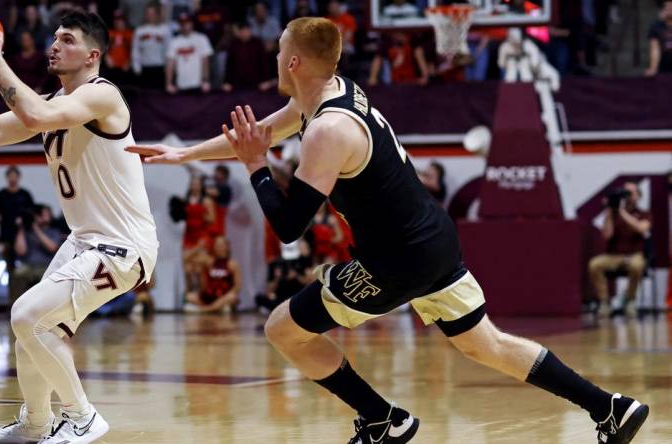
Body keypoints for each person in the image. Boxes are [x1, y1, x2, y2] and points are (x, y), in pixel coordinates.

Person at [127, 17, 649, 444]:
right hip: (433, 240)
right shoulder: (335, 91)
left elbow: (289, 227)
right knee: (484, 344)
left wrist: (257, 168)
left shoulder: (329, 131)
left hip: (396, 260)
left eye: (278, 52)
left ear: (292, 62)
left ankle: (383, 420)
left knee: (283, 328)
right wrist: (185, 153)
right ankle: (609, 408)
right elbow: (260, 133)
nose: (273, 60)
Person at [0, 10, 158, 443]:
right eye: (54, 38)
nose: (54, 45)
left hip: (123, 246)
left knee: (26, 316)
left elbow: (32, 117)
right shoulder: (53, 103)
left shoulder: (103, 96)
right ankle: (35, 424)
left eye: (66, 39)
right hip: (85, 241)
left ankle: (83, 418)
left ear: (92, 55)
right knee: (30, 330)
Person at [588, 182, 653, 316]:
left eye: (631, 193)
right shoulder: (613, 213)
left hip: (635, 254)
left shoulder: (644, 213)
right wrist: (610, 211)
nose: (627, 196)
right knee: (595, 264)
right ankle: (605, 302)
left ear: (638, 196)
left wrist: (622, 212)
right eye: (625, 193)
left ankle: (630, 300)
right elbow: (607, 235)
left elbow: (641, 228)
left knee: (636, 265)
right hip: (614, 255)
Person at [10, 204, 64, 306]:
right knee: (17, 274)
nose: (43, 216)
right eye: (41, 214)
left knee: (55, 278)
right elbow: (20, 251)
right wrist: (21, 227)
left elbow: (51, 247)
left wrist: (36, 229)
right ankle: (16, 307)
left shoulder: (53, 231)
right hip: (28, 266)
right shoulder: (26, 232)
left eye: (46, 214)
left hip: (47, 267)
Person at [0, 165, 36, 268]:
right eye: (10, 176)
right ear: (7, 177)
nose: (12, 178)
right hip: (5, 232)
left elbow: (32, 212)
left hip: (22, 232)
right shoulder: (1, 194)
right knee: (7, 260)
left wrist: (23, 221)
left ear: (18, 177)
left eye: (14, 176)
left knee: (23, 259)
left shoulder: (25, 194)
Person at [184, 236, 241, 313]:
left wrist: (227, 295)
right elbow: (185, 259)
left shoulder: (232, 264)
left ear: (227, 247)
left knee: (232, 297)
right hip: (210, 295)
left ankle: (204, 310)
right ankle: (218, 308)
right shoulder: (210, 261)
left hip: (223, 297)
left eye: (222, 245)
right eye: (217, 245)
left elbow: (237, 287)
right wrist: (197, 248)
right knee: (189, 296)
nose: (219, 248)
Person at [165, 12, 213, 94]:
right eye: (182, 23)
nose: (185, 25)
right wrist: (169, 84)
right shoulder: (174, 41)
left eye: (187, 22)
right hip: (180, 86)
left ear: (192, 23)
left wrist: (206, 80)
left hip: (198, 85)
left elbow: (206, 61)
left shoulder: (201, 38)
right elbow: (170, 64)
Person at [131, 4, 172, 89]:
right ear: (145, 15)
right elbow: (135, 50)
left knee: (159, 98)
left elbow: (169, 50)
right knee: (144, 98)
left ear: (157, 14)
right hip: (144, 69)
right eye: (148, 13)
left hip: (160, 68)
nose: (150, 16)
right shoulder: (139, 30)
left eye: (152, 14)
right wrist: (136, 67)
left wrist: (168, 67)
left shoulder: (165, 30)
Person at [646, 0, 672, 76]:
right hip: (663, 69)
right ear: (663, 10)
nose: (670, 9)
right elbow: (654, 49)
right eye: (667, 7)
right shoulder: (656, 27)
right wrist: (653, 68)